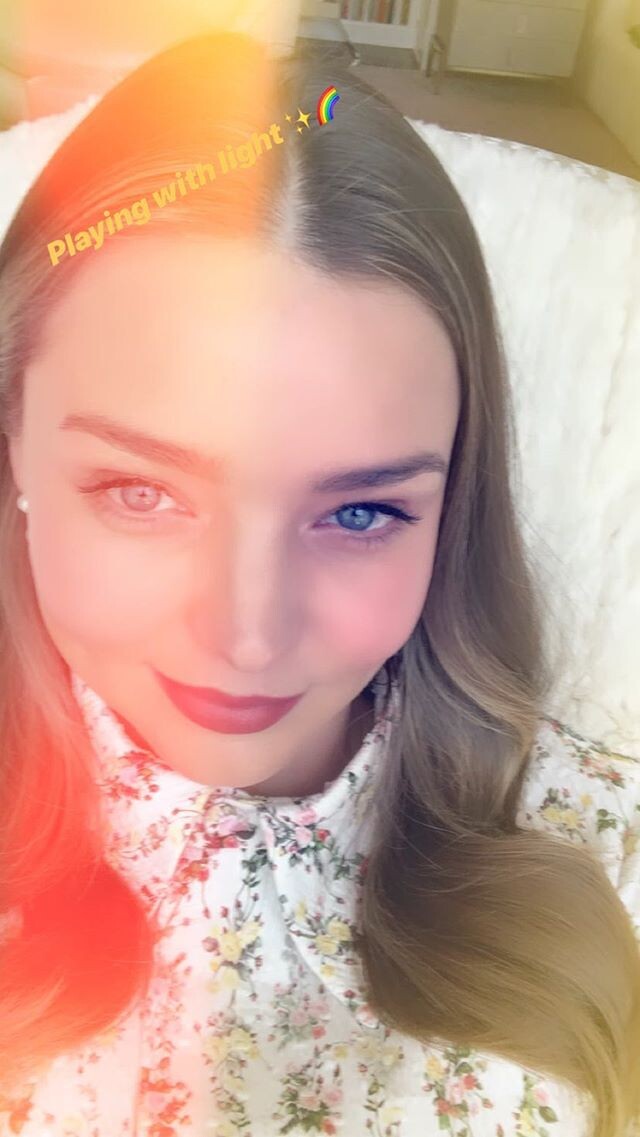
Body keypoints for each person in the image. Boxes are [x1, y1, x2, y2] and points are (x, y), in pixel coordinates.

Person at [0, 30, 638, 1137]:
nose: (246, 636)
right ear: (13, 441)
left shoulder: (602, 855)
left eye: (359, 513)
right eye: (142, 492)